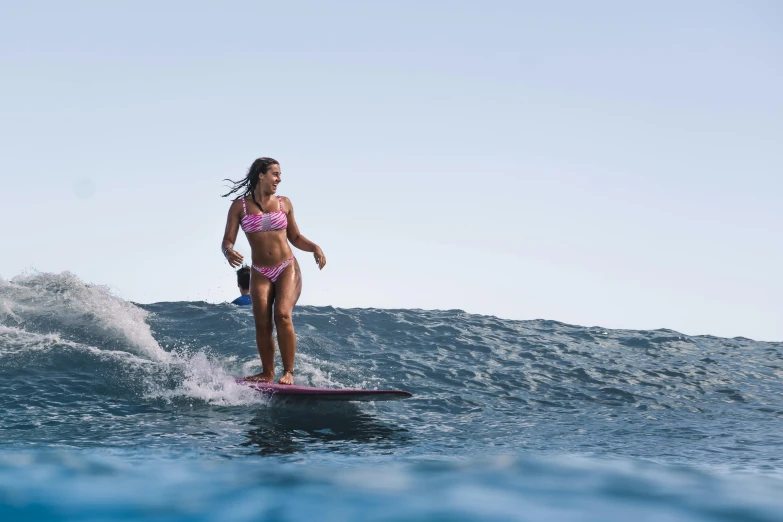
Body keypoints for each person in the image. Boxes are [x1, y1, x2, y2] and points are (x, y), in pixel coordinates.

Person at [221, 157, 326, 385]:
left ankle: (289, 371)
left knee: (282, 314)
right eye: (275, 174)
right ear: (261, 175)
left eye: (279, 175)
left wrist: (315, 248)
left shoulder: (284, 203)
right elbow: (227, 240)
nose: (278, 179)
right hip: (260, 271)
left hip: (286, 267)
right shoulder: (239, 207)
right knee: (262, 322)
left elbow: (295, 237)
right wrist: (228, 251)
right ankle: (267, 372)